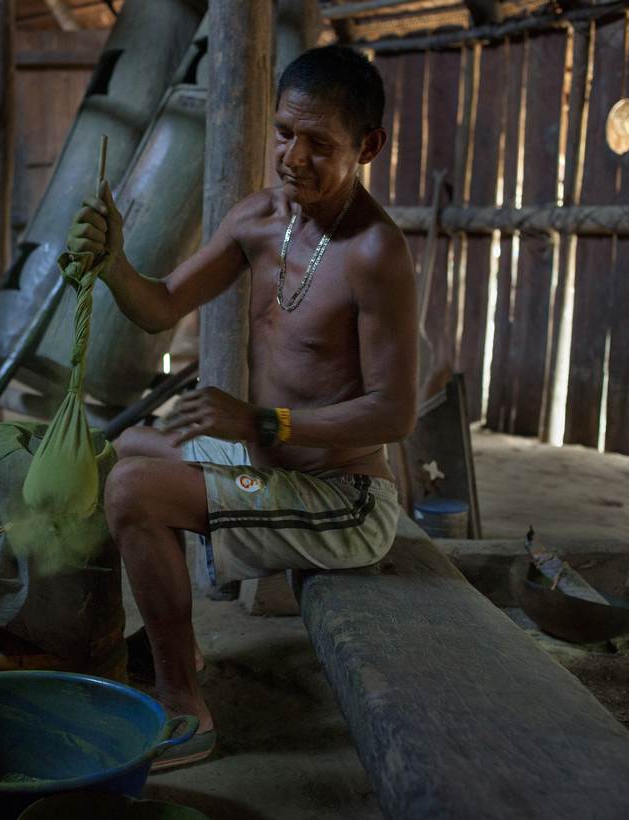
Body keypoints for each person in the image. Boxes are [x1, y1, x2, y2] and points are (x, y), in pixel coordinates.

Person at [66, 44, 419, 769]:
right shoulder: (260, 218)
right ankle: (175, 640)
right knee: (124, 451)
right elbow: (160, 307)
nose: (293, 157)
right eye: (286, 133)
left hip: (343, 500)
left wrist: (264, 422)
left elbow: (394, 413)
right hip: (270, 471)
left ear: (369, 147)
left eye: (320, 144)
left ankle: (182, 705)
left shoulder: (376, 252)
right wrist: (113, 265)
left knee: (135, 491)